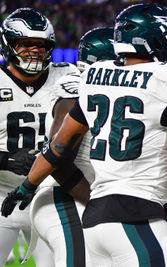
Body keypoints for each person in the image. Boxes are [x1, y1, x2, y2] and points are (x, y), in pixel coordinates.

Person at [1, 3, 167, 266]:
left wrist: (26, 185)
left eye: (41, 44)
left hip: (96, 207)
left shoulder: (92, 79)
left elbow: (58, 148)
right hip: (121, 207)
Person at [25, 27, 117, 267]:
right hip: (62, 193)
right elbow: (59, 158)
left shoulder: (114, 93)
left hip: (91, 195)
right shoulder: (76, 87)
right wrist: (96, 203)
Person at [0, 8, 81, 266]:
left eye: (40, 45)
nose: (34, 51)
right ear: (8, 45)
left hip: (50, 194)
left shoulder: (68, 76)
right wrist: (6, 159)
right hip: (1, 193)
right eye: (25, 44)